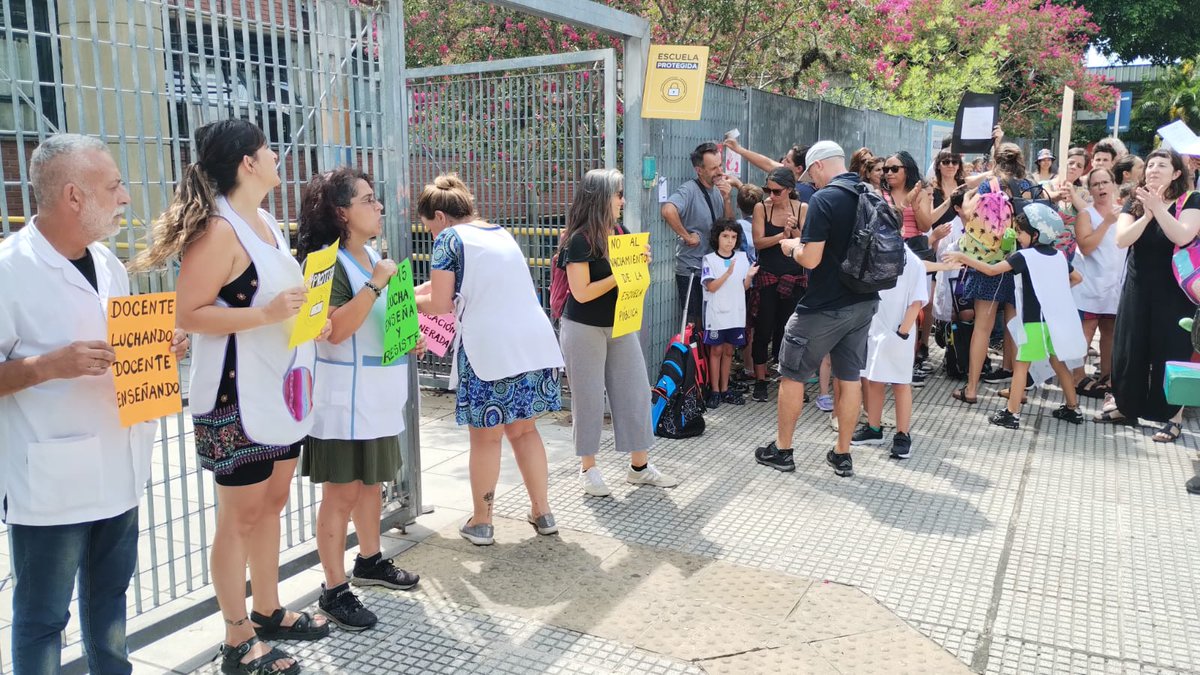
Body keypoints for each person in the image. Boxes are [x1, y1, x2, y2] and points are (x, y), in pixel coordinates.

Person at [135, 119, 329, 674]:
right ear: (248, 162)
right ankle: (237, 637)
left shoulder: (263, 221)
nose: (276, 157)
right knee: (239, 518)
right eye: (268, 149)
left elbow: (280, 301)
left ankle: (268, 608)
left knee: (272, 504)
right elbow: (189, 313)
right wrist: (266, 316)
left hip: (279, 389)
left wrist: (306, 320)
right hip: (234, 399)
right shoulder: (219, 230)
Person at [0, 134, 187, 675]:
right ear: (73, 196)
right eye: (114, 186)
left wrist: (160, 346)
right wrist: (48, 366)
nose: (125, 197)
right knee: (43, 617)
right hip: (51, 481)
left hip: (119, 465)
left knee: (110, 603)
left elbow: (119, 347)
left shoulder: (108, 264)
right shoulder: (9, 270)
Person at [294, 168, 422, 632]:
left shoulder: (371, 256)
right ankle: (333, 588)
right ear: (341, 212)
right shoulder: (328, 264)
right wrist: (375, 285)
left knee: (371, 484)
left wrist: (408, 336)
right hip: (344, 400)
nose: (379, 206)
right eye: (368, 199)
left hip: (377, 395)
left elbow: (383, 320)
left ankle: (370, 560)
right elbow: (335, 330)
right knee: (341, 493)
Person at [415, 174, 563, 542]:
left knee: (486, 439)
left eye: (429, 227)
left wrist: (401, 300)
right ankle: (543, 512)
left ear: (440, 217)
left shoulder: (449, 239)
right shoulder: (499, 233)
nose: (431, 234)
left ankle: (481, 521)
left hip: (489, 350)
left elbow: (440, 303)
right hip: (532, 344)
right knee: (525, 430)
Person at [753, 141, 879, 478]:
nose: (812, 180)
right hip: (864, 302)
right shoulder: (870, 194)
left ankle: (783, 450)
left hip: (823, 306)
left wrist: (791, 247)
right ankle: (842, 453)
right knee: (849, 378)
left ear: (819, 165)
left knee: (792, 374)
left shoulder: (825, 199)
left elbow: (810, 259)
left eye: (811, 173)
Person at [558, 168, 679, 497]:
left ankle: (639, 467)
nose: (623, 201)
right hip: (583, 328)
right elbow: (581, 293)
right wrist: (620, 274)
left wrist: (639, 265)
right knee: (588, 399)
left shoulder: (621, 231)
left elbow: (630, 280)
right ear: (601, 197)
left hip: (620, 324)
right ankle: (588, 469)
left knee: (636, 392)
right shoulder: (579, 239)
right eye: (618, 194)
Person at [946, 202, 1087, 429]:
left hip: (1033, 322)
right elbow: (1077, 278)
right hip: (1053, 321)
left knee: (1021, 365)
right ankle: (1073, 408)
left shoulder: (1024, 256)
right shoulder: (1059, 256)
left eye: (1021, 232)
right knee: (1059, 363)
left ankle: (1011, 414)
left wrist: (963, 257)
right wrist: (1055, 292)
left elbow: (991, 270)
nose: (1018, 236)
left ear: (1036, 234)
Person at [1108, 149, 1200, 442]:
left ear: (1176, 173)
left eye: (1162, 165)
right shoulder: (1136, 201)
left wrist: (1159, 209)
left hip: (1174, 291)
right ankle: (1127, 406)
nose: (1154, 169)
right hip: (1138, 286)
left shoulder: (1191, 200)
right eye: (1150, 165)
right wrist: (1146, 215)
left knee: (1171, 350)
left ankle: (1173, 417)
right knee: (1130, 348)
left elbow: (1182, 235)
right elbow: (1122, 239)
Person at [850, 245, 933, 458]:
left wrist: (902, 332)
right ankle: (874, 428)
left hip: (899, 330)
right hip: (874, 326)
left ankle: (902, 434)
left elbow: (917, 302)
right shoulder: (873, 253)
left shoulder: (912, 261)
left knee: (900, 383)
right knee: (874, 379)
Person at [661, 142, 736, 325]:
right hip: (692, 270)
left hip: (714, 268)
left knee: (712, 321)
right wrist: (687, 236)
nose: (719, 171)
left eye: (720, 165)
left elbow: (730, 226)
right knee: (695, 324)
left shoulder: (718, 191)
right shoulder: (689, 189)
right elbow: (668, 210)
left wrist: (727, 199)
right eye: (713, 168)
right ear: (699, 170)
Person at [750, 167, 806, 402]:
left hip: (794, 277)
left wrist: (794, 230)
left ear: (789, 189)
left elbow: (807, 242)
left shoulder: (802, 208)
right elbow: (758, 242)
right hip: (768, 276)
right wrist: (782, 236)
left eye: (776, 191)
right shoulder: (761, 208)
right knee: (763, 328)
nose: (771, 195)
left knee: (789, 330)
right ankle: (760, 380)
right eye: (768, 190)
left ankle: (788, 380)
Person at [1071, 168, 1123, 400]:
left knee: (1110, 330)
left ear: (1113, 184)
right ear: (1090, 190)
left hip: (1115, 284)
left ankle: (1107, 375)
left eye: (1105, 182)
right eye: (1095, 184)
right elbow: (1086, 247)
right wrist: (1106, 223)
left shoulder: (1125, 212)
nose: (1101, 187)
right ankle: (1077, 377)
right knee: (1086, 330)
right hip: (1090, 283)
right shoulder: (1086, 214)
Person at [702, 219, 758, 407]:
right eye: (725, 236)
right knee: (716, 350)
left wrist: (749, 276)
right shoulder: (709, 259)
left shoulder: (742, 258)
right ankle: (714, 390)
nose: (729, 241)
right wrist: (727, 273)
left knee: (728, 350)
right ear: (716, 237)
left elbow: (744, 287)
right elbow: (711, 286)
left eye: (733, 237)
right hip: (717, 314)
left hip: (735, 313)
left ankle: (725, 389)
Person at [723, 138, 815, 202]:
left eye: (787, 161)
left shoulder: (802, 191)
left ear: (799, 169)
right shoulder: (792, 174)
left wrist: (738, 185)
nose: (782, 162)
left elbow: (762, 209)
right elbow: (768, 163)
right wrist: (739, 149)